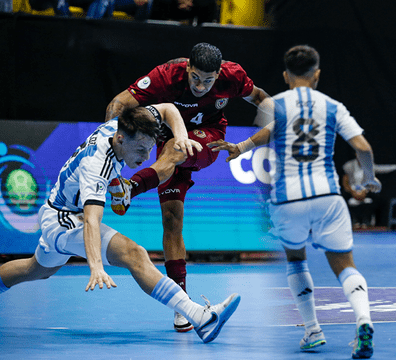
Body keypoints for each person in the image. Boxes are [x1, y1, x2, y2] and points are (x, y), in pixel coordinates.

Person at [0, 105, 240, 342]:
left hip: (59, 210)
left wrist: (180, 139)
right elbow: (92, 220)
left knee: (35, 270)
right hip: (63, 219)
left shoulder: (127, 126)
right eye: (140, 151)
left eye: (149, 150)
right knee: (134, 254)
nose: (146, 158)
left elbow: (167, 109)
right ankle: (201, 318)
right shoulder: (97, 165)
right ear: (121, 139)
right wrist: (96, 266)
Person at [208, 45, 380, 359]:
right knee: (344, 265)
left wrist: (241, 147)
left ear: (287, 76)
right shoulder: (332, 106)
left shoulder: (275, 105)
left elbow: (271, 133)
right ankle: (364, 320)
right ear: (317, 75)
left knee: (296, 261)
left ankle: (313, 331)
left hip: (289, 200)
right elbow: (363, 147)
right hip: (328, 196)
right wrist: (368, 178)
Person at [105, 42, 269, 333]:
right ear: (188, 68)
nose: (201, 86)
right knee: (171, 220)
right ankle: (182, 307)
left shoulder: (232, 76)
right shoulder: (166, 76)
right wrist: (108, 141)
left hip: (208, 140)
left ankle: (131, 188)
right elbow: (118, 104)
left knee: (174, 147)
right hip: (167, 151)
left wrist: (283, 113)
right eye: (196, 78)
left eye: (208, 80)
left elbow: (258, 97)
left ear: (218, 73)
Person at [342, 157, 378, 229]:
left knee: (376, 196)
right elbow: (345, 181)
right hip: (352, 191)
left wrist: (365, 191)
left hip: (365, 191)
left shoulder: (370, 166)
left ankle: (367, 221)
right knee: (343, 197)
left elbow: (372, 182)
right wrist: (353, 192)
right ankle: (353, 221)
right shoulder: (349, 166)